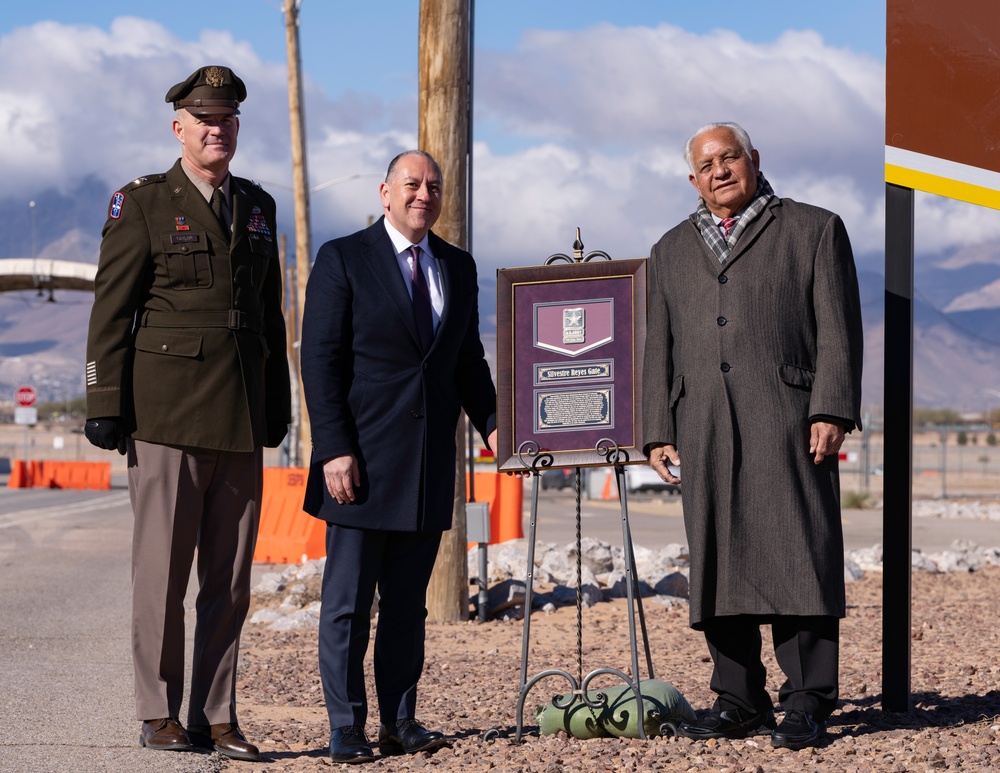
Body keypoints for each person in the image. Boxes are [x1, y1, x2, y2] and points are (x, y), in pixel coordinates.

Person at [84, 65, 290, 761]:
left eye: (227, 118)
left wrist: (278, 405)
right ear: (179, 126)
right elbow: (110, 308)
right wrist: (104, 402)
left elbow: (268, 317)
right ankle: (156, 711)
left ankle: (215, 715)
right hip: (166, 415)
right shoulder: (143, 202)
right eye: (205, 119)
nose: (217, 129)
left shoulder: (258, 207)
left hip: (238, 417)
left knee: (229, 583)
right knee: (162, 577)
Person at [642, 122, 863, 750]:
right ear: (693, 179)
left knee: (799, 555)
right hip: (702, 424)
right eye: (706, 165)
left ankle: (807, 701)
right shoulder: (670, 249)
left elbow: (839, 331)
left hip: (790, 419)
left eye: (729, 157)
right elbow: (657, 347)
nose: (719, 171)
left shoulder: (814, 229)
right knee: (718, 559)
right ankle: (739, 700)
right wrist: (658, 428)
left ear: (754, 160)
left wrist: (831, 410)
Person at [300, 150, 498, 764]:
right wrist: (333, 447)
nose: (424, 195)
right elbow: (320, 360)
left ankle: (401, 722)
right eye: (412, 184)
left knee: (408, 610)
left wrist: (499, 430)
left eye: (434, 187)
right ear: (385, 191)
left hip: (425, 468)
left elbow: (467, 363)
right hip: (358, 465)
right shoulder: (343, 257)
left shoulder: (457, 268)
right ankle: (346, 728)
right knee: (348, 608)